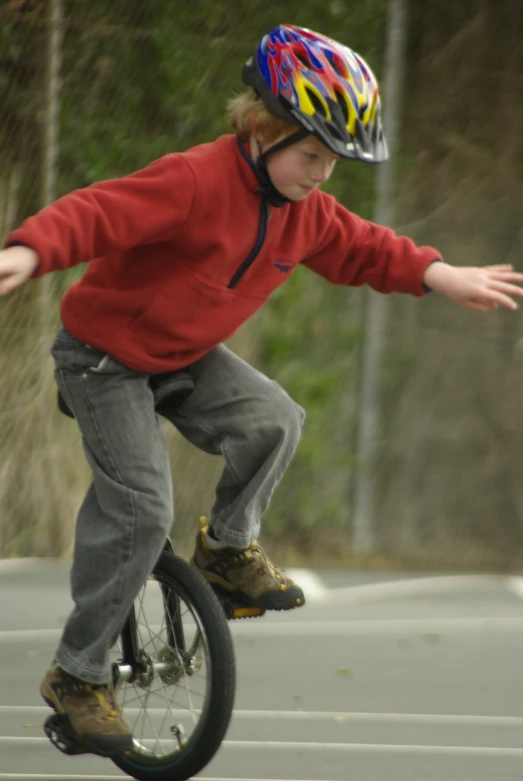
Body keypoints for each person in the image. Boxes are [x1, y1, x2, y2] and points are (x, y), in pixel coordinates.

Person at [1, 23, 522, 756]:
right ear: (260, 129)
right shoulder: (193, 181)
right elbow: (99, 212)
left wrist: (441, 275)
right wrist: (31, 247)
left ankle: (227, 549)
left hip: (183, 355)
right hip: (103, 358)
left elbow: (365, 247)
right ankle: (79, 676)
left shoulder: (305, 211)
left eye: (334, 161)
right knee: (145, 506)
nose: (321, 173)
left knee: (275, 418)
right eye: (310, 154)